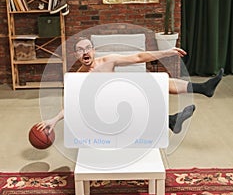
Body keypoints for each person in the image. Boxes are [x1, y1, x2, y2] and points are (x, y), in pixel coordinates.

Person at [37, 37, 223, 134]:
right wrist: (54, 120)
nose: (84, 52)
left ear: (93, 51)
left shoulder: (107, 61)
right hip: (101, 116)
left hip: (122, 104)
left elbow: (138, 57)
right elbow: (69, 103)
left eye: (87, 48)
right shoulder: (78, 77)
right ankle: (170, 121)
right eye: (80, 50)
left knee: (152, 80)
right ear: (76, 55)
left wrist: (167, 52)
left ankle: (201, 90)